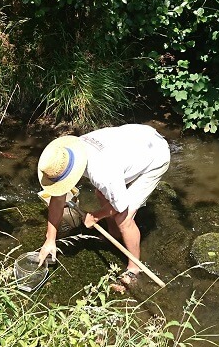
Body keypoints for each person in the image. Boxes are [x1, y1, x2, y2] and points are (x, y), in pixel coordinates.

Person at [36, 124, 170, 291]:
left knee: (124, 218)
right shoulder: (68, 152)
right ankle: (112, 234)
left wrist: (96, 216)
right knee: (101, 194)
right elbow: (57, 198)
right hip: (137, 140)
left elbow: (121, 206)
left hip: (155, 155)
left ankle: (134, 269)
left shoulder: (102, 173)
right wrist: (50, 239)